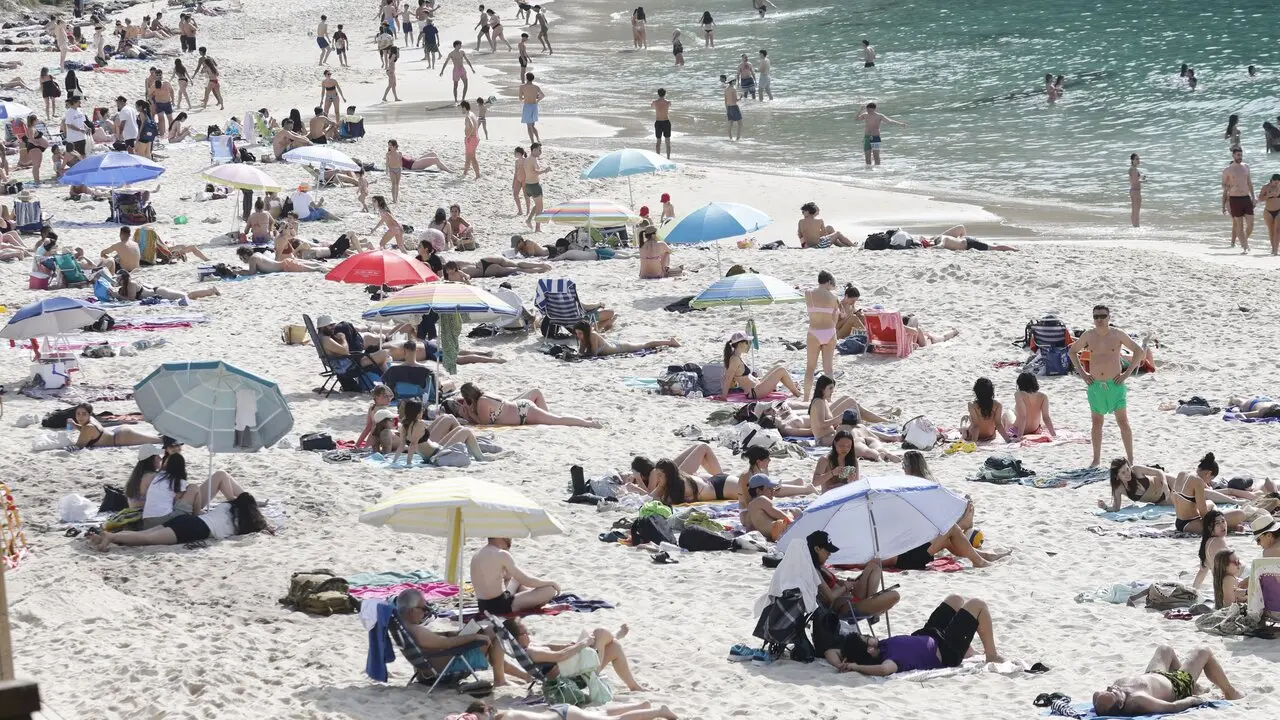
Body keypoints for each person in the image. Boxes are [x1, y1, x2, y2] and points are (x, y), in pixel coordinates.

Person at [828, 595, 1003, 675]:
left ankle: (969, 651)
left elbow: (831, 651)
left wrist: (842, 663)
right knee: (977, 605)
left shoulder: (880, 647)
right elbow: (883, 670)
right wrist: (856, 667)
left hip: (930, 634)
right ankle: (992, 655)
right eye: (868, 637)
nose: (871, 636)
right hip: (947, 650)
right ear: (869, 649)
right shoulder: (889, 660)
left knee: (955, 600)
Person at [1069, 305, 1145, 467]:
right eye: (1096, 316)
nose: (1099, 320)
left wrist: (1126, 374)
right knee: (1096, 423)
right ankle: (1096, 459)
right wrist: (1083, 373)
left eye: (1102, 316)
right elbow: (1072, 351)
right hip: (1095, 385)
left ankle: (1130, 459)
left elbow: (1139, 351)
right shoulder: (1089, 335)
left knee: (1123, 422)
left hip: (1115, 385)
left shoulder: (1117, 334)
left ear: (1109, 317)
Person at [393, 589, 508, 686]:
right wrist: (474, 637)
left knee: (488, 632)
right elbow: (447, 643)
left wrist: (455, 634)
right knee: (495, 631)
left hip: (428, 670)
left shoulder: (404, 628)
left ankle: (522, 676)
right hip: (447, 667)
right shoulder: (417, 632)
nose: (425, 612)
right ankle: (500, 679)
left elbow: (437, 641)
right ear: (412, 611)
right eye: (424, 608)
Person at [88, 491, 270, 550]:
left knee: (144, 534)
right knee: (147, 540)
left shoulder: (226, 506)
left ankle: (108, 536)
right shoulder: (242, 524)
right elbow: (259, 526)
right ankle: (110, 538)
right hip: (195, 529)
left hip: (188, 520)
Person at [1092, 645, 1243, 716]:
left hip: (1155, 675)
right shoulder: (1138, 700)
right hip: (1177, 685)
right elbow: (1171, 707)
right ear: (1120, 704)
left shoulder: (1109, 696)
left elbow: (1100, 699)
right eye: (1112, 693)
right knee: (1203, 651)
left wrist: (1104, 695)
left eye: (1108, 689)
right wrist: (1193, 700)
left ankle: (1196, 686)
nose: (1111, 688)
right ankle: (1230, 692)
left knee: (1165, 649)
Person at [503, 618, 643, 692]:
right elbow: (559, 656)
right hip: (578, 676)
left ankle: (634, 686)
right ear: (515, 639)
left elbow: (553, 647)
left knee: (615, 647)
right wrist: (582, 644)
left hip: (575, 667)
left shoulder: (530, 647)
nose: (527, 634)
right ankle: (616, 635)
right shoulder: (531, 652)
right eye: (524, 633)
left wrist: (571, 645)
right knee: (601, 632)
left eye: (527, 630)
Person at [808, 531, 900, 619]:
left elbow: (835, 582)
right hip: (845, 607)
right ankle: (872, 606)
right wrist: (845, 587)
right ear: (817, 549)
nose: (829, 554)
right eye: (827, 551)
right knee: (895, 596)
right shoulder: (814, 571)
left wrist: (846, 582)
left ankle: (871, 602)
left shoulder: (821, 567)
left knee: (874, 565)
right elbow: (830, 597)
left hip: (851, 596)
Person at [471, 537, 560, 615]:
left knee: (516, 580)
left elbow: (507, 577)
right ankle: (529, 599)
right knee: (549, 589)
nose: (510, 538)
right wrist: (551, 582)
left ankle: (528, 596)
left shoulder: (477, 554)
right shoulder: (501, 554)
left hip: (483, 605)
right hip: (500, 606)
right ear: (500, 535)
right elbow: (527, 581)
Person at [1171, 453, 1253, 534]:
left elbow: (1173, 497)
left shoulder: (1182, 473)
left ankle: (1227, 526)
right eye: (1210, 479)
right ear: (1209, 473)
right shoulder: (1198, 481)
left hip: (1179, 521)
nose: (1208, 482)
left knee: (1210, 503)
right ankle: (1230, 528)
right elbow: (1204, 514)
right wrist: (1218, 518)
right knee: (1240, 514)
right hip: (1190, 524)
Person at [399, 397, 491, 464]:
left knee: (457, 425)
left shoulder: (405, 426)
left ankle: (473, 442)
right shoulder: (417, 425)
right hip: (436, 453)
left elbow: (406, 444)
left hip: (433, 450)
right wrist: (408, 462)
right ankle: (480, 455)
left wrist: (398, 461)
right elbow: (412, 444)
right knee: (465, 430)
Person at [721, 331, 801, 399]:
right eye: (747, 342)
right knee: (781, 371)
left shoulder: (738, 357)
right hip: (754, 392)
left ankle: (793, 387)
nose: (748, 345)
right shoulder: (735, 359)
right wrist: (724, 397)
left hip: (757, 387)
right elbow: (728, 378)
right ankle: (796, 392)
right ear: (740, 344)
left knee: (778, 367)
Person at [802, 273, 841, 400]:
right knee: (828, 369)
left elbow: (807, 290)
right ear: (829, 282)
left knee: (810, 368)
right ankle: (828, 399)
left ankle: (806, 398)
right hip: (829, 331)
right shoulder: (833, 297)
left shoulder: (809, 293)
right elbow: (835, 318)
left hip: (815, 331)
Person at [70, 403, 160, 448]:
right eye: (78, 414)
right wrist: (75, 425)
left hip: (122, 438)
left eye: (84, 414)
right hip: (120, 434)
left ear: (89, 414)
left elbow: (77, 447)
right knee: (157, 439)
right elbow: (88, 433)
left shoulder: (88, 427)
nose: (80, 417)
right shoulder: (91, 421)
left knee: (160, 440)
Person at [468, 701, 676, 720]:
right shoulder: (504, 714)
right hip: (560, 713)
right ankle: (640, 707)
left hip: (564, 716)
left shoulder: (506, 718)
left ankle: (659, 712)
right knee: (603, 715)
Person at [107, 269, 220, 304]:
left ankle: (211, 290)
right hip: (158, 292)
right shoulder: (126, 285)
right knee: (189, 297)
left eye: (118, 278)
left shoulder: (131, 284)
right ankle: (210, 292)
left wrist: (117, 295)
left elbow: (131, 299)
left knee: (188, 296)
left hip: (160, 293)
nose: (117, 280)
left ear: (123, 279)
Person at [1099, 459, 1173, 513]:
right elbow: (1116, 508)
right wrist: (1105, 507)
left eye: (1127, 469)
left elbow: (1159, 472)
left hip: (1167, 482)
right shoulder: (1118, 488)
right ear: (1117, 476)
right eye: (1123, 473)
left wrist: (1165, 485)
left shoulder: (1136, 470)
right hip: (1161, 500)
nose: (1127, 473)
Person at [573, 320, 678, 358]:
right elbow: (581, 353)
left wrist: (582, 355)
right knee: (644, 345)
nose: (578, 336)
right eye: (577, 333)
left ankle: (670, 342)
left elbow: (593, 354)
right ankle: (669, 341)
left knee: (645, 345)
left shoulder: (593, 335)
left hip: (620, 347)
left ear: (586, 332)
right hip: (613, 345)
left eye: (580, 333)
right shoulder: (583, 338)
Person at [743, 474, 801, 541]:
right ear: (758, 491)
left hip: (773, 536)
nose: (773, 491)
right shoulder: (762, 499)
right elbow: (780, 515)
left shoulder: (750, 511)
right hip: (779, 528)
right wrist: (791, 517)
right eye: (769, 489)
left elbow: (749, 530)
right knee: (795, 511)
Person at [1221, 146, 1255, 253]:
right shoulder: (1227, 170)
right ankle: (1245, 247)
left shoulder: (1246, 167)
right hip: (1235, 199)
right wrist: (1229, 187)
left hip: (1246, 198)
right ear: (1233, 155)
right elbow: (1223, 185)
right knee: (1239, 225)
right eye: (1238, 155)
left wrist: (1254, 197)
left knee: (1251, 224)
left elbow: (1249, 182)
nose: (1240, 157)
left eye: (1241, 155)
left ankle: (1244, 241)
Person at [856, 102, 906, 167]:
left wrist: (900, 124)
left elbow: (889, 121)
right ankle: (868, 172)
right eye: (867, 109)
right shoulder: (865, 115)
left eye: (869, 109)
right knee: (867, 157)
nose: (867, 111)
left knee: (876, 156)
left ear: (873, 109)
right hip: (867, 137)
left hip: (875, 137)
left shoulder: (879, 116)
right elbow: (856, 119)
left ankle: (878, 171)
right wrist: (860, 110)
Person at [962, 377, 1012, 443]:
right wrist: (1008, 440)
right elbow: (998, 424)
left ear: (976, 391)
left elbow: (976, 425)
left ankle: (963, 426)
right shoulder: (997, 405)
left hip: (974, 434)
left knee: (965, 421)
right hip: (990, 435)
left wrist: (973, 442)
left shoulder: (972, 405)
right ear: (991, 391)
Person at [1011, 372, 1055, 439]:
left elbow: (1023, 416)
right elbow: (1046, 417)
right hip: (1034, 429)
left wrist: (1020, 436)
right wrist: (1053, 434)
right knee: (1015, 411)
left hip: (1020, 430)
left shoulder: (1019, 394)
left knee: (1008, 414)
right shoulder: (1043, 396)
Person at [1191, 511, 1228, 589]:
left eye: (1223, 521)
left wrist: (1193, 591)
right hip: (1233, 584)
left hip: (1221, 588)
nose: (1222, 526)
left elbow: (1202, 572)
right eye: (1217, 523)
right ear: (1210, 527)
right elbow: (1227, 571)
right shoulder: (1218, 542)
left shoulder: (1206, 544)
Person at [234, 246, 325, 274]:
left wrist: (238, 272)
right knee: (317, 266)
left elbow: (252, 273)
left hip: (286, 266)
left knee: (317, 269)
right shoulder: (257, 254)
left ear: (245, 255)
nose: (242, 260)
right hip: (286, 262)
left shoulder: (253, 259)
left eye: (241, 258)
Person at [441, 40, 476, 105]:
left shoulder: (462, 52)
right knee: (455, 86)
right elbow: (446, 62)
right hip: (456, 71)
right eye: (460, 44)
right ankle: (456, 100)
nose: (461, 46)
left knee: (466, 85)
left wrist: (472, 68)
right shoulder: (451, 54)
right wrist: (442, 71)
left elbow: (467, 60)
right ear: (456, 45)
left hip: (462, 69)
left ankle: (463, 99)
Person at [524, 142, 549, 231]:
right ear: (534, 150)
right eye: (539, 150)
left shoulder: (527, 159)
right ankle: (537, 228)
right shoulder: (533, 160)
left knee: (537, 205)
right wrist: (545, 171)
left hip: (528, 185)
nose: (540, 152)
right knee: (540, 208)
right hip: (534, 186)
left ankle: (529, 220)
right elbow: (534, 172)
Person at [193, 47, 224, 111]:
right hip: (214, 75)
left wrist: (194, 75)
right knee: (214, 90)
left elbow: (198, 68)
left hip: (209, 76)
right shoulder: (210, 57)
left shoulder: (201, 59)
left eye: (199, 51)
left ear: (201, 51)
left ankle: (206, 104)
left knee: (208, 90)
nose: (199, 52)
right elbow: (216, 64)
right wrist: (213, 69)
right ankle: (219, 102)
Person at [1258, 173, 1280, 256]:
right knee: (1271, 231)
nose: (1276, 184)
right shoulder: (1266, 187)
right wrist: (1269, 195)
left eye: (1278, 182)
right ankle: (1273, 249)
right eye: (1275, 182)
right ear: (1271, 181)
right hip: (1268, 211)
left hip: (1279, 211)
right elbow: (1260, 199)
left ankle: (1276, 251)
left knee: (1277, 230)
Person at [462, 100, 481, 179]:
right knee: (471, 157)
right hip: (475, 137)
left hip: (471, 138)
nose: (461, 110)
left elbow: (472, 126)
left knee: (470, 157)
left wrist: (468, 136)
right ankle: (466, 173)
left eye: (461, 108)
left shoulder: (468, 116)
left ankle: (471, 174)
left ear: (464, 108)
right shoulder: (472, 114)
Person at [652, 88, 671, 159]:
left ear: (658, 94)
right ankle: (668, 158)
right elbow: (669, 104)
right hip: (666, 122)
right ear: (665, 94)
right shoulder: (668, 102)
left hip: (658, 122)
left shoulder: (654, 102)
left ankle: (658, 157)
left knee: (658, 142)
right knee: (667, 142)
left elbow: (652, 106)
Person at [721, 76, 741, 141]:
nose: (735, 81)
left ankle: (730, 138)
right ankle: (738, 138)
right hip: (734, 107)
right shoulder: (733, 89)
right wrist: (740, 97)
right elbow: (735, 100)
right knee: (740, 124)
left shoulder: (726, 89)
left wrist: (727, 110)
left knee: (730, 124)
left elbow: (725, 101)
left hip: (729, 108)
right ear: (732, 81)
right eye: (734, 80)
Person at [1129, 153, 1144, 228]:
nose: (1138, 160)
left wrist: (1141, 179)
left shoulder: (1132, 169)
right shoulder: (1133, 169)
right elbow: (1135, 181)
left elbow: (1134, 180)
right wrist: (1143, 181)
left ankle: (1135, 226)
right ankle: (1136, 226)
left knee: (1134, 210)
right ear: (1132, 160)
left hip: (1133, 191)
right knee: (1136, 210)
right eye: (1136, 159)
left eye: (1139, 159)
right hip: (1135, 191)